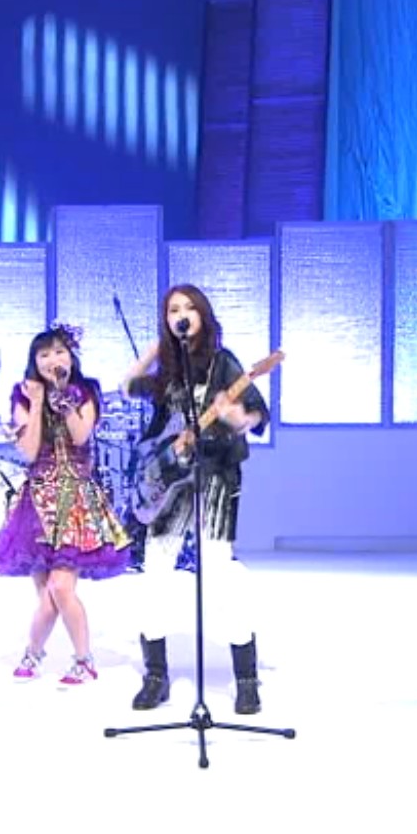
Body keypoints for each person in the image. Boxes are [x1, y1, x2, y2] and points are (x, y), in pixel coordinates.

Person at [120, 284, 270, 714]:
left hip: (215, 475)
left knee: (219, 573)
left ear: (203, 314)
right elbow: (126, 386)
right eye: (172, 310)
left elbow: (257, 415)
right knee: (156, 572)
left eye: (188, 308)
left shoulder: (224, 364)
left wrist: (235, 416)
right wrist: (155, 349)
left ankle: (246, 678)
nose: (181, 315)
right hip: (170, 482)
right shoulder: (167, 369)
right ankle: (155, 676)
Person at [0, 324, 132, 684]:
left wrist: (64, 395)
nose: (52, 359)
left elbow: (80, 435)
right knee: (48, 597)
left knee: (61, 588)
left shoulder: (86, 390)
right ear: (34, 361)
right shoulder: (23, 394)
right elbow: (29, 450)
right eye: (44, 354)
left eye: (59, 352)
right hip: (38, 501)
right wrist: (38, 402)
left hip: (76, 499)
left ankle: (83, 659)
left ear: (70, 357)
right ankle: (34, 654)